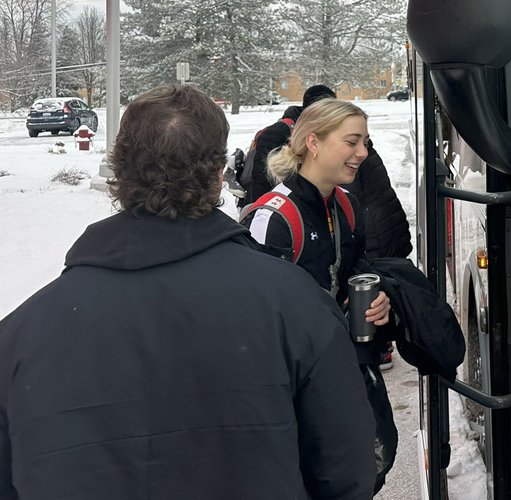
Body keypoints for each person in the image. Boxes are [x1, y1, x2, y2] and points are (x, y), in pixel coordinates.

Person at [0, 85, 376, 500]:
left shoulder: (20, 336)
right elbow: (345, 470)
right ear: (218, 174)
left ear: (119, 173)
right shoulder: (296, 306)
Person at [244, 98, 398, 492]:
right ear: (313, 142)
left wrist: (378, 300)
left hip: (342, 370)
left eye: (366, 141)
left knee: (366, 465)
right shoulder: (274, 217)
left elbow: (357, 268)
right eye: (352, 142)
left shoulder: (346, 204)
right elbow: (256, 321)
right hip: (294, 389)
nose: (363, 153)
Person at [241, 82, 335, 209]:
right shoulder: (278, 133)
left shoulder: (324, 132)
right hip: (276, 208)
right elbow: (261, 179)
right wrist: (259, 211)